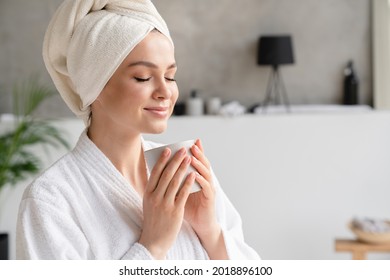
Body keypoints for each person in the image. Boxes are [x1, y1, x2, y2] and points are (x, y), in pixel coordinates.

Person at [16, 0, 260, 260]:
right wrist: (152, 246)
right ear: (93, 85)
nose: (165, 92)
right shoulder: (51, 201)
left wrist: (209, 231)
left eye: (170, 76)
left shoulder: (185, 172)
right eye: (143, 77)